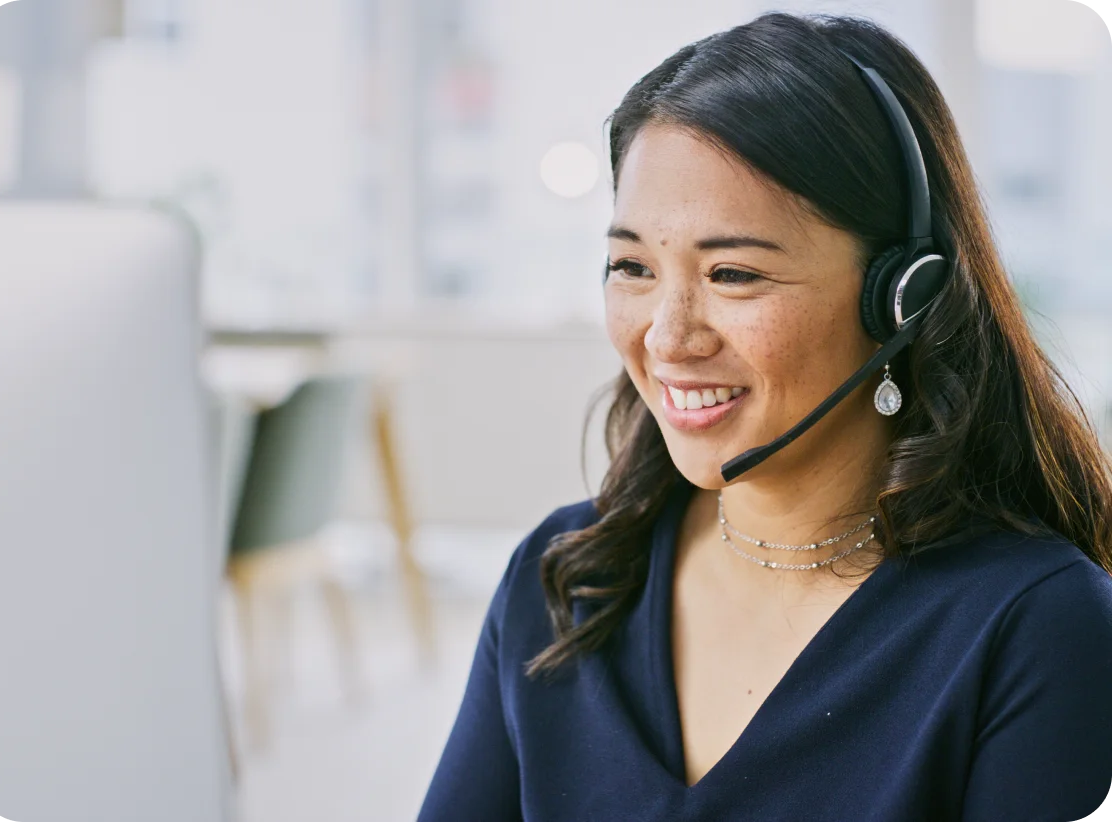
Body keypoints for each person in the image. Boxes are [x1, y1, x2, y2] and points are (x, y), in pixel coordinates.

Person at [417, 12, 1112, 821]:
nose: (668, 335)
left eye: (734, 274)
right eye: (632, 266)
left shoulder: (1038, 632)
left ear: (902, 296)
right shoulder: (565, 579)